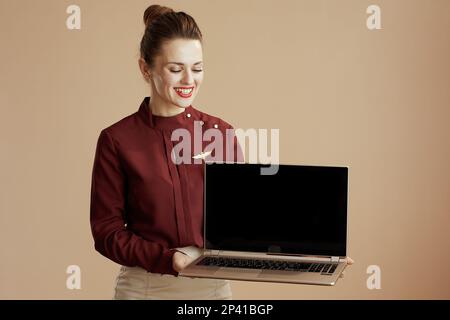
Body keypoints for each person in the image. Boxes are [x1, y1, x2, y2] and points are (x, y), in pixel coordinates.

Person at [89, 4, 242, 300]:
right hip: (145, 288)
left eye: (197, 68)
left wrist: (309, 251)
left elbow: (240, 220)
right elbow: (106, 232)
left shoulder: (221, 133)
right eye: (176, 69)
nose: (189, 80)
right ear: (145, 68)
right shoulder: (116, 140)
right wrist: (167, 258)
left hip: (213, 289)